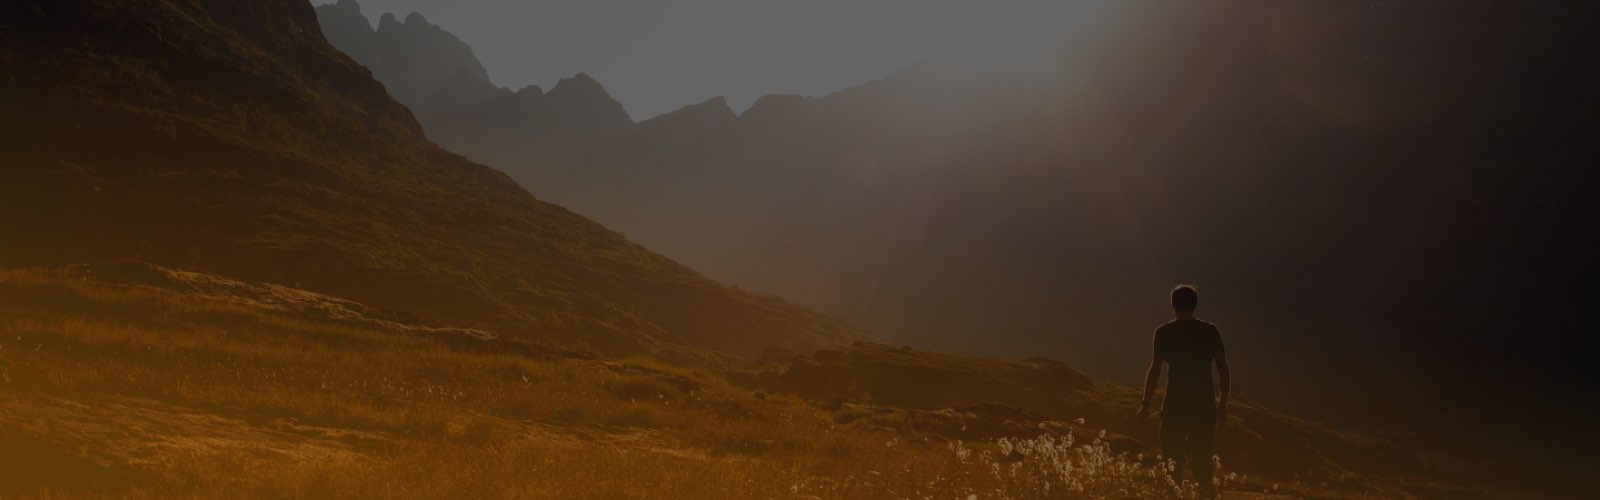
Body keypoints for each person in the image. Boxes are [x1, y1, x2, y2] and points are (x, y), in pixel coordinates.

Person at [1137, 284, 1231, 497]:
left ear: (1173, 306)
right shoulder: (1210, 331)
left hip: (1174, 408)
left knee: (1173, 464)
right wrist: (1222, 405)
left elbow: (1155, 370)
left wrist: (1145, 404)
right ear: (1195, 305)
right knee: (1202, 463)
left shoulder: (1164, 333)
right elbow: (1223, 370)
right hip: (1203, 408)